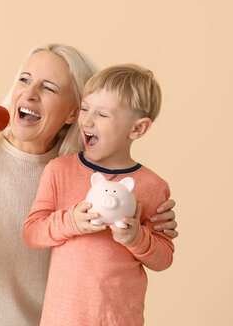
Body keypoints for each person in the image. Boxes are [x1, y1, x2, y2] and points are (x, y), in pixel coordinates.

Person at [0, 45, 178, 326]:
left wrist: (148, 227)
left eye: (49, 88)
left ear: (72, 113)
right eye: (25, 79)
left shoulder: (76, 176)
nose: (29, 94)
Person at [22, 64, 174, 326]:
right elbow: (32, 233)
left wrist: (135, 237)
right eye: (84, 108)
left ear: (137, 129)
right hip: (62, 319)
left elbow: (163, 258)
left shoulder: (152, 186)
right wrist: (71, 222)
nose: (87, 120)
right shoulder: (59, 171)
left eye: (102, 114)